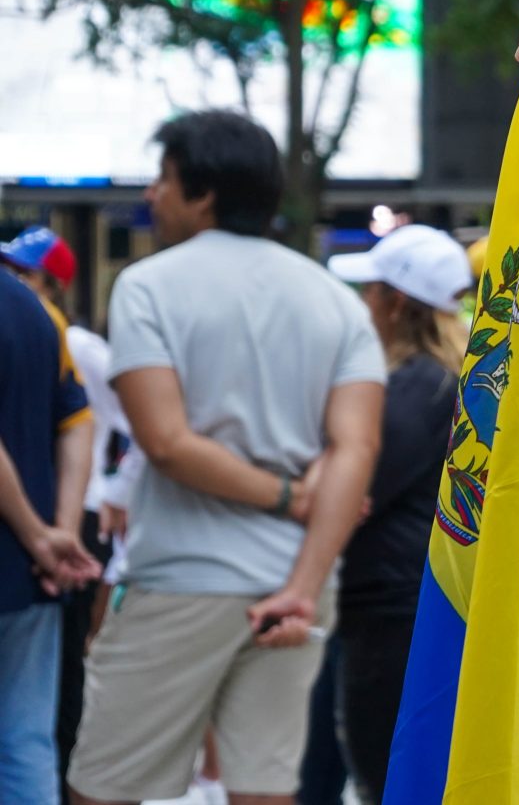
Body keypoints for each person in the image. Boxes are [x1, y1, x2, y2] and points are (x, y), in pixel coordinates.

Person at [67, 111, 387, 805]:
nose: (153, 195)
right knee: (263, 789)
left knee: (104, 787)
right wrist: (303, 583)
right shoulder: (337, 302)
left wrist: (282, 495)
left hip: (183, 580)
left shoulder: (147, 287)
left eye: (164, 180)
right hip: (296, 592)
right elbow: (356, 446)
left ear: (203, 193)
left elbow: (167, 444)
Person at [324, 224, 469, 804]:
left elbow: (360, 489)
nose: (365, 304)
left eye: (373, 290)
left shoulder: (418, 390)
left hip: (393, 606)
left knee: (385, 773)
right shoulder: (451, 383)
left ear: (398, 303)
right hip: (413, 597)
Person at [0, 225, 120, 788]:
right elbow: (78, 420)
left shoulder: (68, 333)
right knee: (27, 737)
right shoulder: (40, 317)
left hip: (44, 544)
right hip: (40, 561)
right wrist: (56, 533)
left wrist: (46, 533)